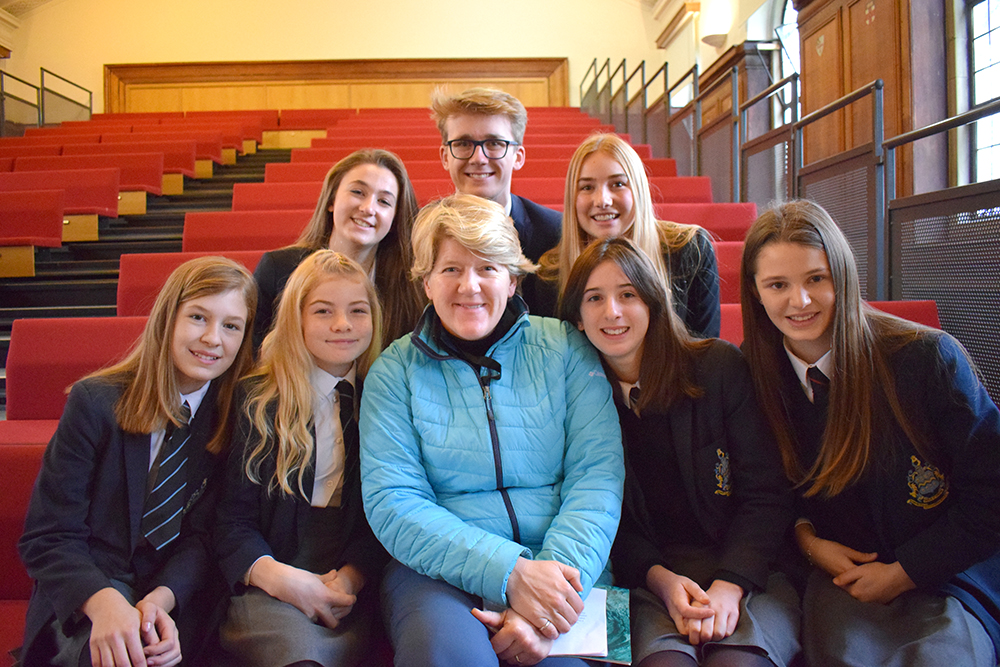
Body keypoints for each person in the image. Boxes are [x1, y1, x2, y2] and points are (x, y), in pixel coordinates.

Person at [360, 193, 624, 666]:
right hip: (439, 574)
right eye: (451, 269)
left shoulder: (567, 347)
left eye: (487, 268)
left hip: (572, 567)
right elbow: (393, 502)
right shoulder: (393, 371)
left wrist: (547, 591)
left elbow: (598, 477)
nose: (470, 286)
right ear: (425, 283)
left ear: (513, 279)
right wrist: (508, 572)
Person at [739, 199, 1000, 667]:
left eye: (817, 279)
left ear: (843, 274)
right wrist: (806, 540)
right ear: (756, 293)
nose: (799, 301)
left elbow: (993, 491)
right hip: (840, 578)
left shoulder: (927, 358)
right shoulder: (752, 372)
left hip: (946, 571)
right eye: (778, 285)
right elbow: (763, 488)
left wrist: (906, 572)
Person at [559, 237, 799, 667]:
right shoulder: (576, 400)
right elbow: (600, 518)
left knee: (739, 663)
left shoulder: (718, 367)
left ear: (653, 302)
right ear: (577, 317)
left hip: (747, 568)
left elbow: (767, 493)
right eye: (595, 298)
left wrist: (731, 583)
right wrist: (661, 581)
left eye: (628, 294)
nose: (612, 312)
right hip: (645, 581)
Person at [19, 256, 257, 667]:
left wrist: (162, 600)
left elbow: (203, 536)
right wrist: (104, 603)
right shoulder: (95, 403)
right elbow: (50, 534)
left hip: (172, 593)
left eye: (231, 326)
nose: (213, 339)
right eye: (198, 317)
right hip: (88, 589)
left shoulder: (232, 418)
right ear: (168, 319)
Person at [214, 250, 387, 667]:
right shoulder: (257, 400)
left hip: (347, 588)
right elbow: (229, 521)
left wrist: (351, 576)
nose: (342, 324)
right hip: (269, 583)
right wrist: (280, 579)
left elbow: (386, 517)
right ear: (298, 319)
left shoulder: (382, 402)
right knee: (300, 657)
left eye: (357, 311)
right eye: (323, 311)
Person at [531, 134, 720, 339]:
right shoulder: (551, 273)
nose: (602, 200)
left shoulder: (690, 250)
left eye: (618, 184)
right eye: (587, 187)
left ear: (638, 190)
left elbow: (704, 351)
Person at [252, 148, 423, 350]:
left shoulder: (411, 286)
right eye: (358, 192)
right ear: (332, 200)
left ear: (395, 219)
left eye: (384, 201)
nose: (368, 208)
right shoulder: (277, 270)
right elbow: (252, 358)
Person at [431, 87, 561, 263]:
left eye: (494, 143)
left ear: (518, 157)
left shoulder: (555, 234)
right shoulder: (418, 233)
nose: (479, 159)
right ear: (445, 157)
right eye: (463, 144)